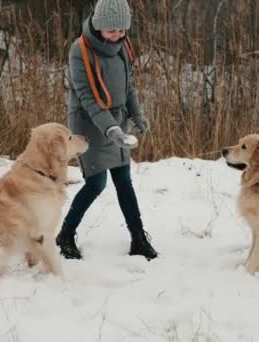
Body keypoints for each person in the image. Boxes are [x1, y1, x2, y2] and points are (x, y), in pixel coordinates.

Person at [56, 0, 158, 260]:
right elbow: (88, 98)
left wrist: (137, 114)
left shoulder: (122, 46)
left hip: (117, 120)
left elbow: (129, 86)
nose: (117, 35)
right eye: (111, 30)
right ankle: (65, 235)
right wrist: (110, 129)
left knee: (124, 181)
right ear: (99, 25)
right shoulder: (79, 50)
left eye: (122, 30)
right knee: (97, 182)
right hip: (89, 123)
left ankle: (138, 237)